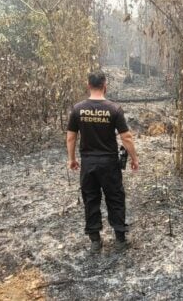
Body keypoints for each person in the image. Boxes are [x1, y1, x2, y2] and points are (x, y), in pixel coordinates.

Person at [66, 70, 138, 254]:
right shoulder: (114, 109)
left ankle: (95, 242)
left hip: (88, 163)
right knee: (115, 197)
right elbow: (126, 138)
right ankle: (120, 240)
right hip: (109, 163)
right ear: (105, 85)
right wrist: (134, 159)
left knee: (91, 199)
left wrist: (72, 159)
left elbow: (71, 138)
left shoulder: (78, 109)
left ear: (88, 85)